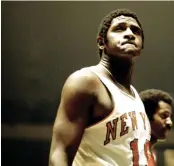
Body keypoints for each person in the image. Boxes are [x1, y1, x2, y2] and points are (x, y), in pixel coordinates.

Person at [49, 9, 153, 166]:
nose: (129, 34)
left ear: (141, 47)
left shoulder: (135, 95)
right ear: (101, 42)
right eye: (119, 28)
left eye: (135, 31)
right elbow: (59, 153)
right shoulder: (86, 81)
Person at [139, 89, 174, 163]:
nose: (170, 122)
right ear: (146, 116)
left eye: (170, 117)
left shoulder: (150, 155)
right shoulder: (130, 152)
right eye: (164, 116)